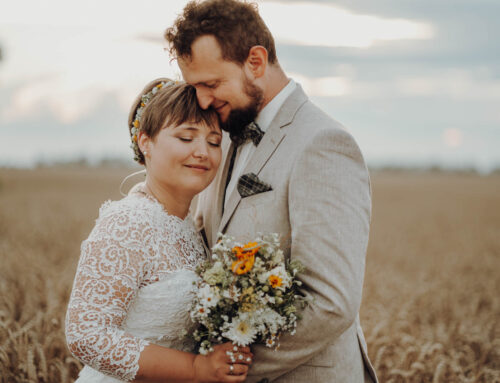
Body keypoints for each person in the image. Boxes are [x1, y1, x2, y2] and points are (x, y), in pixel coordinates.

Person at [165, 1, 378, 382]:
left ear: (256, 61)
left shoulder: (324, 144)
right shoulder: (224, 138)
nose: (202, 101)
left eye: (211, 84)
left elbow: (331, 303)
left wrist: (229, 370)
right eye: (194, 87)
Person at [65, 79, 253, 383]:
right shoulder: (128, 222)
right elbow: (86, 334)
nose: (203, 152)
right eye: (186, 137)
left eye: (214, 141)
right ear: (145, 142)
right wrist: (195, 369)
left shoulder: (192, 228)